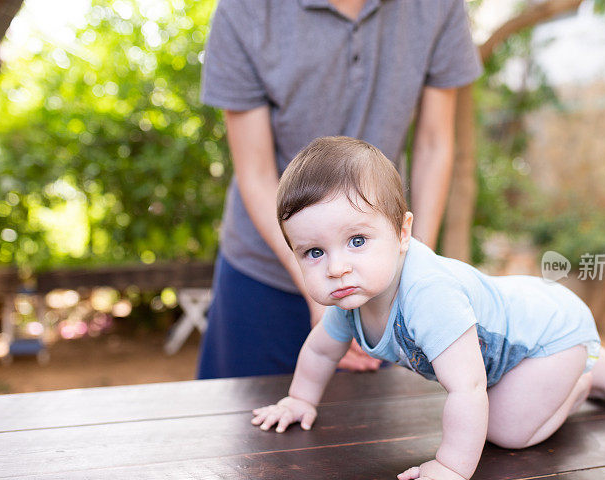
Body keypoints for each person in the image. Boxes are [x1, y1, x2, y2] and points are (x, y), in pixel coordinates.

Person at [251, 136, 605, 480]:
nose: (337, 268)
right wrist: (299, 399)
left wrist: (451, 467)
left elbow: (468, 387)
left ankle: (583, 373)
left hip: (548, 336)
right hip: (527, 319)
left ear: (402, 233)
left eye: (357, 240)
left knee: (507, 430)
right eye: (314, 252)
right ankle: (593, 361)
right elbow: (321, 349)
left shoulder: (429, 295)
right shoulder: (352, 294)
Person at [197, 0, 482, 378]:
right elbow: (256, 173)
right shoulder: (244, 11)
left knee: (370, 430)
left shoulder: (438, 7)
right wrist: (318, 279)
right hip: (263, 274)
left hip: (376, 268)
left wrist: (407, 273)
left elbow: (433, 143)